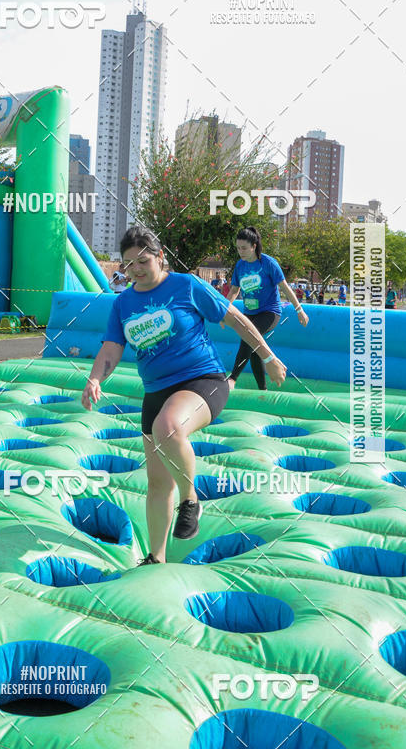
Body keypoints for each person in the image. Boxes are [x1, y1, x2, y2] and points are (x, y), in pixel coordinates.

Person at [81, 225, 286, 566]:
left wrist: (268, 357)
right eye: (129, 264)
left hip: (202, 381)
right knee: (158, 482)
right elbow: (111, 348)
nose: (136, 270)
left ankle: (190, 498)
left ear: (160, 257)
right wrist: (95, 378)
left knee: (168, 427)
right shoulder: (123, 303)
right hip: (156, 393)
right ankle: (156, 556)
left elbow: (236, 319)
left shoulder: (186, 285)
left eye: (143, 261)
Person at [223, 226, 308, 392]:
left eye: (244, 248)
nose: (240, 252)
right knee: (256, 348)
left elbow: (284, 287)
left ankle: (232, 378)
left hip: (270, 312)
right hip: (249, 313)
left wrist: (299, 310)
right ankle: (263, 390)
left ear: (254, 246)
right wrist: (223, 310)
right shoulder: (240, 266)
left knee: (249, 336)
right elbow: (234, 291)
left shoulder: (268, 263)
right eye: (238, 248)